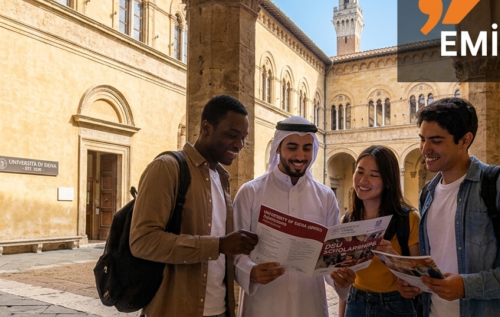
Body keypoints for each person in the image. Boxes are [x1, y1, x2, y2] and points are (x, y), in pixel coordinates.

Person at [397, 97, 500, 317]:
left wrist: (467, 286)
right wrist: (416, 284)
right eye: (422, 139)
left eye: (436, 140)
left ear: (464, 140)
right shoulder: (428, 193)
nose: (425, 149)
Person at [129, 95, 258, 317]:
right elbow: (142, 241)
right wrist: (218, 245)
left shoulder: (221, 178)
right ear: (207, 128)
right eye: (232, 135)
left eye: (244, 137)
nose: (239, 145)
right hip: (174, 310)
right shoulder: (167, 168)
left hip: (220, 310)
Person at [232, 116, 346, 317]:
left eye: (307, 148)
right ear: (277, 147)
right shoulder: (250, 193)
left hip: (310, 303)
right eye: (292, 147)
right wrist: (252, 271)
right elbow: (234, 253)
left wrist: (340, 276)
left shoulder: (326, 197)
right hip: (263, 305)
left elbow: (331, 257)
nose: (300, 156)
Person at [330, 145, 421, 317]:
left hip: (396, 305)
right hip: (356, 302)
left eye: (374, 175)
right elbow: (345, 281)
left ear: (388, 181)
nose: (363, 181)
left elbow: (418, 276)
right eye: (359, 171)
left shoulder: (408, 219)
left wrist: (392, 256)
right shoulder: (347, 221)